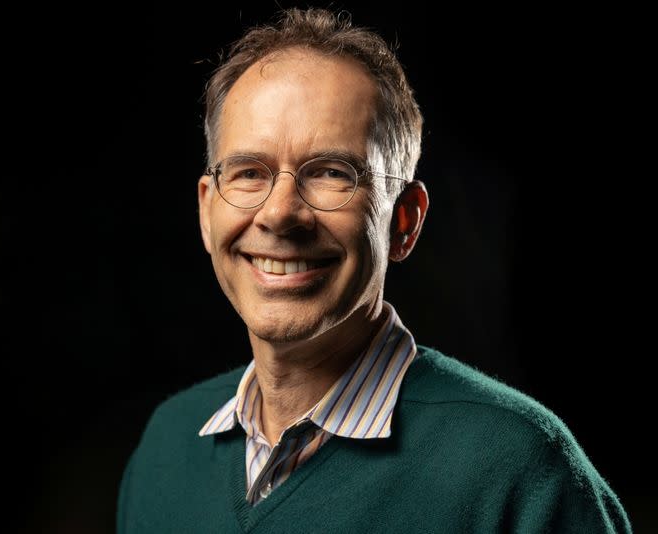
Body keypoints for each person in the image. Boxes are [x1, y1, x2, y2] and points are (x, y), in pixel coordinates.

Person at [116, 7, 631, 533]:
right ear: (207, 211)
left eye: (332, 174)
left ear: (404, 221)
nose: (279, 214)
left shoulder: (517, 471)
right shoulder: (166, 450)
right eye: (249, 173)